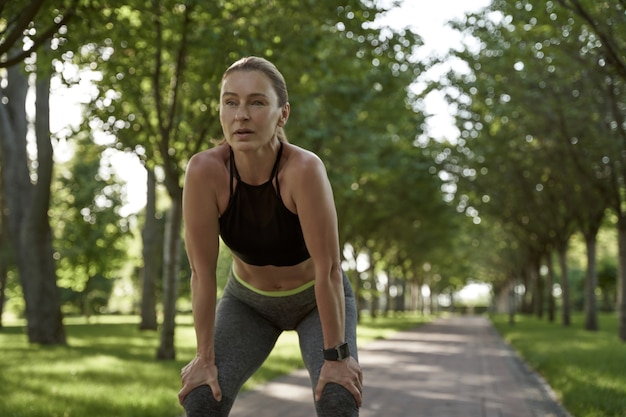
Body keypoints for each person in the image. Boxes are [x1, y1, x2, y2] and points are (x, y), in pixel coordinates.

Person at [178, 56, 363, 417]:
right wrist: (204, 358)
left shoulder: (304, 169)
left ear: (283, 114)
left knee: (338, 399)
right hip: (248, 303)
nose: (241, 115)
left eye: (257, 102)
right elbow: (200, 273)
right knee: (202, 398)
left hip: (316, 300)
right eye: (230, 102)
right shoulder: (205, 171)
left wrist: (338, 357)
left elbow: (328, 270)